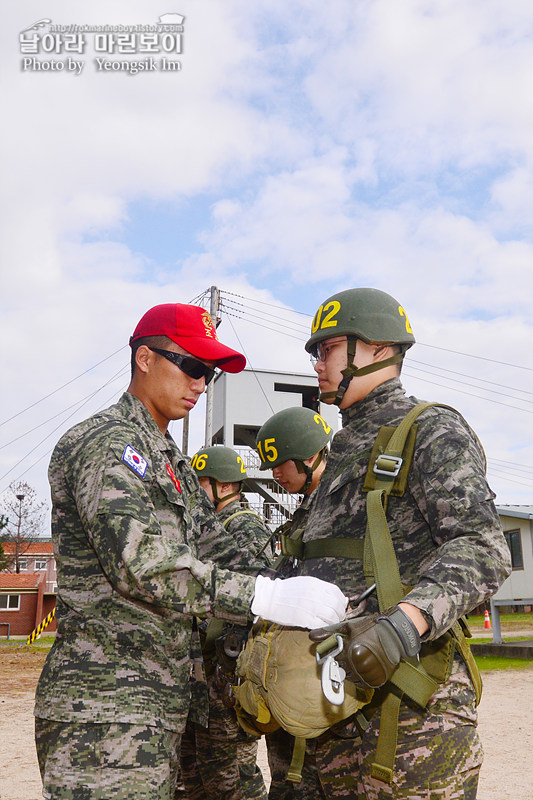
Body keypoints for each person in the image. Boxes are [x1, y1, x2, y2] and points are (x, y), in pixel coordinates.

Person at [33, 302, 347, 800]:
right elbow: (139, 565)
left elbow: (220, 547)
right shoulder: (106, 443)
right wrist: (263, 597)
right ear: (144, 358)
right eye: (193, 366)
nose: (202, 383)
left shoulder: (169, 461)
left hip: (155, 705)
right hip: (103, 711)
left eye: (211, 373)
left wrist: (322, 576)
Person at [279, 288, 511, 798]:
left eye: (328, 349)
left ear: (378, 348)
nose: (317, 363)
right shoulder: (340, 451)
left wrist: (402, 625)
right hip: (324, 717)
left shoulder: (428, 431)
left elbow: (483, 547)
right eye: (316, 353)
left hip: (407, 727)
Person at [179, 445, 272, 800]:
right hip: (207, 668)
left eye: (201, 483)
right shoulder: (213, 525)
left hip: (228, 669)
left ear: (223, 485)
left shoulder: (244, 526)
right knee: (197, 767)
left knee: (232, 771)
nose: (195, 492)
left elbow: (257, 592)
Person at [255, 407, 333, 799]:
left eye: (280, 465)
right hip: (299, 674)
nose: (275, 475)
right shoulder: (306, 512)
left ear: (308, 455)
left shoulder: (339, 504)